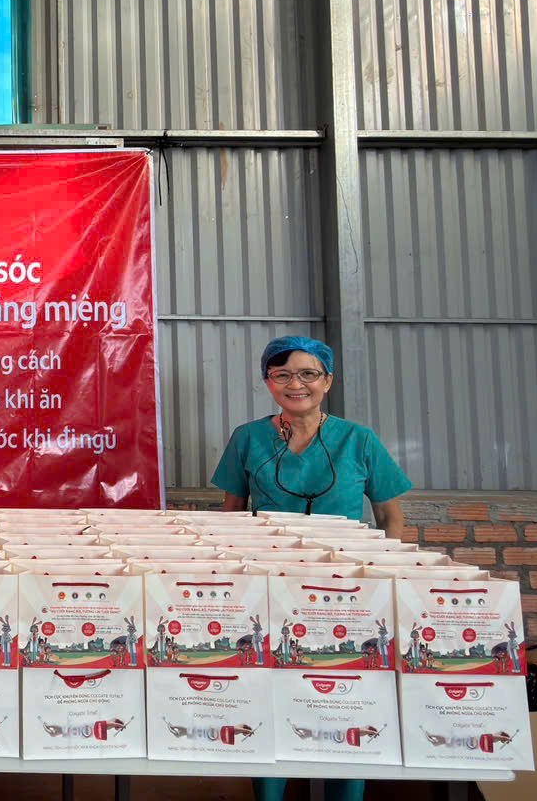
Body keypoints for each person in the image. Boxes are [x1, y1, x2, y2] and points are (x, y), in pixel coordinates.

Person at [211, 336, 412, 801]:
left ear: (328, 381)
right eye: (282, 374)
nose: (295, 384)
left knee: (348, 695)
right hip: (271, 589)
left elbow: (391, 518)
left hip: (350, 592)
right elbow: (231, 517)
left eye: (308, 374)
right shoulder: (248, 438)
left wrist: (388, 578)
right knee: (272, 695)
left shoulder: (359, 440)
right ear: (268, 382)